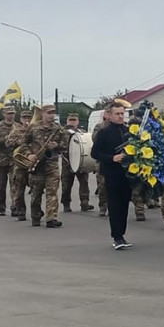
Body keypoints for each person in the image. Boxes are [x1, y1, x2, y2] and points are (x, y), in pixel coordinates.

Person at [89, 101, 136, 250]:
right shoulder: (104, 132)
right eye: (117, 114)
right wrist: (111, 158)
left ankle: (122, 234)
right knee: (115, 206)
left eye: (122, 114)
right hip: (112, 174)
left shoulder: (128, 130)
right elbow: (95, 153)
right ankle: (116, 237)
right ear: (109, 115)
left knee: (124, 205)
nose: (121, 117)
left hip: (127, 174)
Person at [24, 104, 68, 229]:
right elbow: (23, 142)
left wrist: (57, 145)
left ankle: (51, 218)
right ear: (42, 113)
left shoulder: (58, 129)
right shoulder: (33, 127)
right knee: (36, 195)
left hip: (52, 164)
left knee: (52, 192)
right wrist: (29, 154)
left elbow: (65, 145)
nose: (51, 115)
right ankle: (36, 216)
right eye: (49, 113)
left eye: (53, 113)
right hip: (37, 164)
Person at [60, 114, 95, 214]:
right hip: (67, 162)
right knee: (66, 184)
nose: (72, 122)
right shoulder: (62, 132)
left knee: (84, 182)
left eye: (74, 120)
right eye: (70, 120)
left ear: (78, 122)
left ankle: (85, 202)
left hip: (80, 161)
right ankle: (66, 204)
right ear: (67, 121)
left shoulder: (82, 133)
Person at [0, 107, 19, 216]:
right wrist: (4, 139)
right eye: (9, 113)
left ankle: (15, 206)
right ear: (4, 114)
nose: (11, 115)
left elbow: (23, 140)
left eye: (13, 113)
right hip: (0, 160)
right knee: (1, 186)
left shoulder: (17, 126)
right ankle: (1, 207)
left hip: (14, 160)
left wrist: (16, 142)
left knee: (15, 184)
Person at [7, 111, 34, 222]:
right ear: (21, 119)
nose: (27, 120)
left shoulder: (35, 129)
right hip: (20, 163)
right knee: (19, 188)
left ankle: (36, 211)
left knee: (36, 188)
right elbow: (8, 143)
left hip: (33, 162)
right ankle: (20, 210)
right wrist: (18, 141)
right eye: (24, 118)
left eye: (29, 117)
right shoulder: (16, 130)